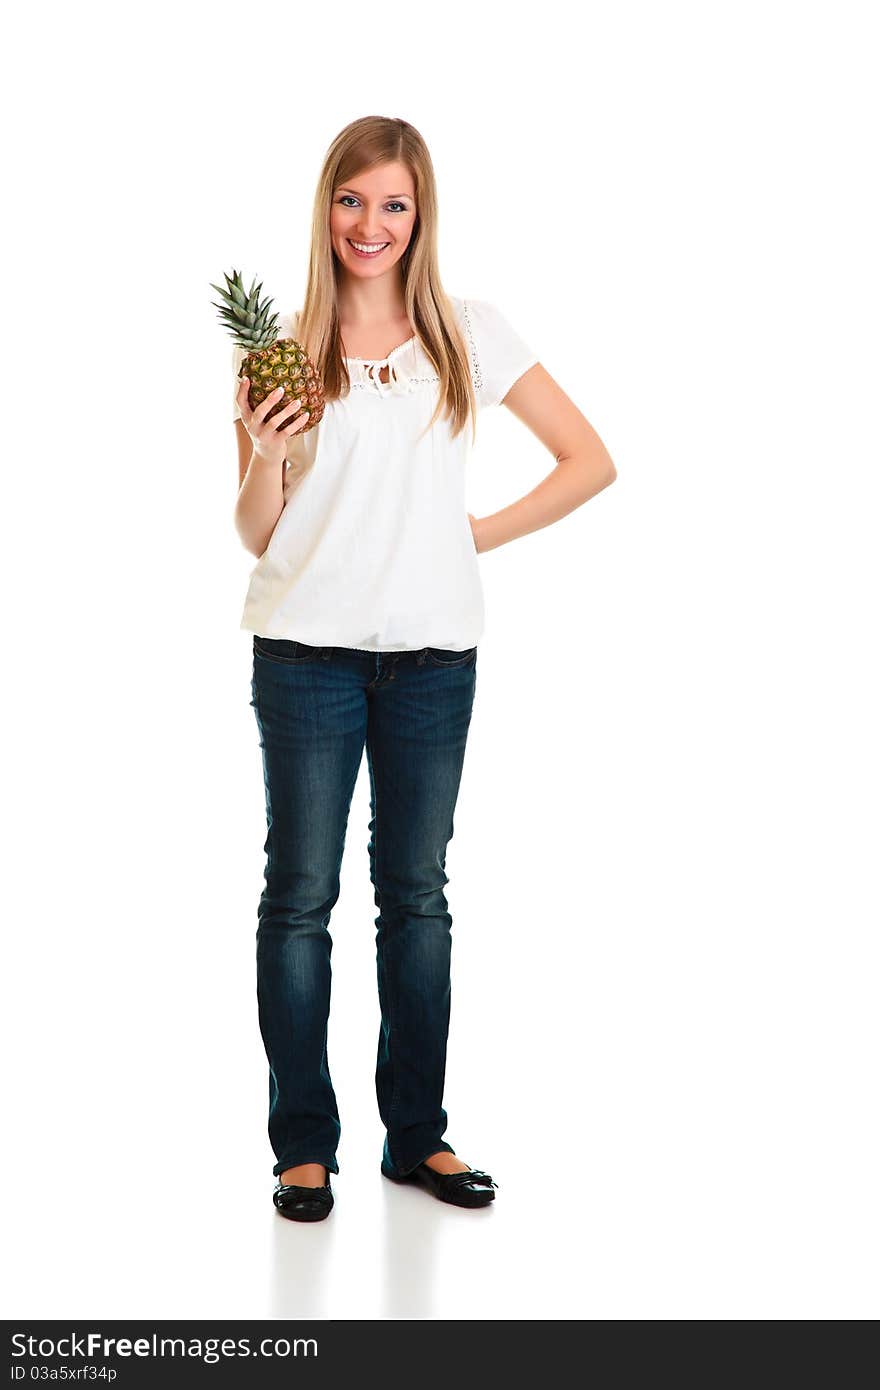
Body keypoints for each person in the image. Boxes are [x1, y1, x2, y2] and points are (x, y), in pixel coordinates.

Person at [232, 116, 617, 1222]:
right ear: (326, 208)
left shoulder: (466, 334)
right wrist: (264, 451)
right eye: (353, 201)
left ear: (420, 214)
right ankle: (304, 1146)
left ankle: (419, 1138)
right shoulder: (281, 348)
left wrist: (473, 534)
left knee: (418, 899)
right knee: (300, 899)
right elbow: (261, 532)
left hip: (434, 658)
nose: (371, 224)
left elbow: (588, 459)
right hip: (304, 651)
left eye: (392, 203)